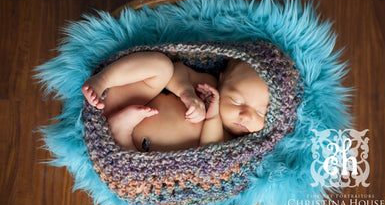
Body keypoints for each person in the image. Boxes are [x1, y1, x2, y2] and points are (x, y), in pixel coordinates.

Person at [81, 51, 269, 152]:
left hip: (133, 150)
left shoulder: (239, 145)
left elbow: (209, 155)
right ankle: (103, 80)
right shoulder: (209, 87)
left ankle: (120, 131)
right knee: (162, 66)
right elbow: (178, 70)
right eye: (235, 100)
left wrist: (212, 118)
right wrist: (186, 92)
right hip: (132, 99)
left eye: (262, 113)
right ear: (222, 81)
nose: (246, 116)